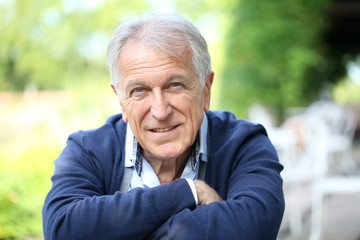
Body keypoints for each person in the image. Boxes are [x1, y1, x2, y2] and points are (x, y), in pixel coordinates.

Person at [42, 12, 285, 240]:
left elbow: (255, 228)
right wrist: (189, 191)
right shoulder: (86, 150)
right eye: (139, 90)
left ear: (206, 89)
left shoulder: (245, 143)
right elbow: (63, 228)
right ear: (121, 101)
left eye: (175, 85)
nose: (160, 111)